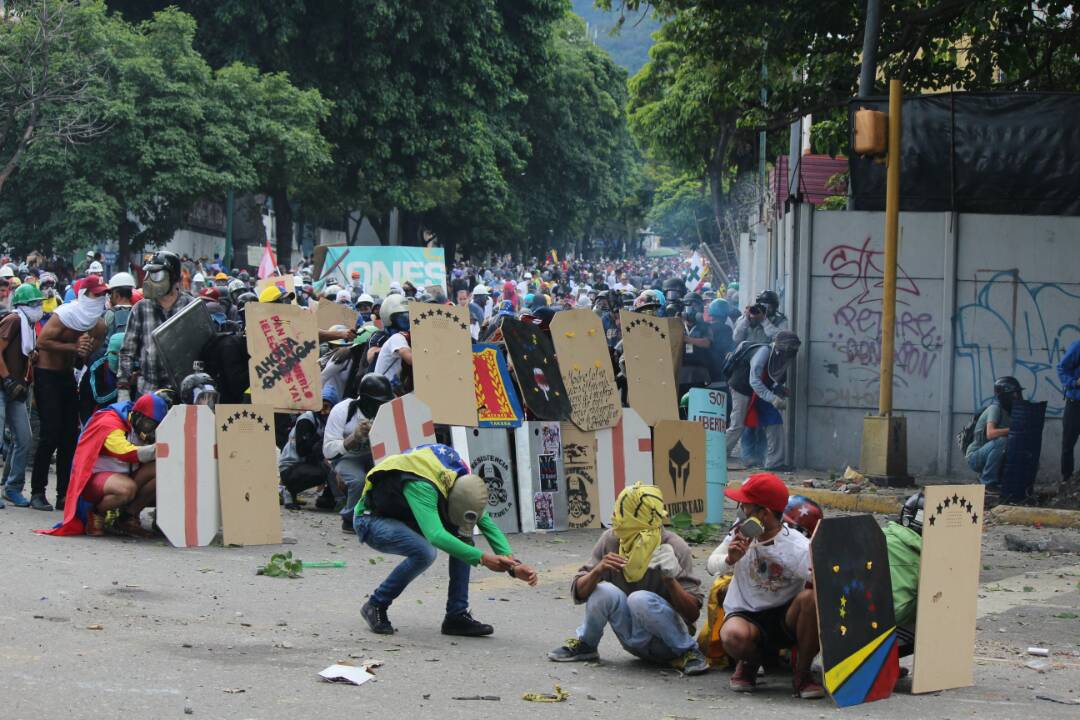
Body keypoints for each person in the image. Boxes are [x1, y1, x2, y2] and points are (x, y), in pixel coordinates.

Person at [354, 443, 538, 636]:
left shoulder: (462, 483)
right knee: (424, 552)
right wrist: (483, 559)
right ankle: (375, 604)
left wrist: (513, 566)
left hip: (404, 514)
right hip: (371, 519)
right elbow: (435, 535)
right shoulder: (423, 486)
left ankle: (456, 617)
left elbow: (487, 524)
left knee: (464, 540)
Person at [547, 483, 709, 674]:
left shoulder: (674, 546)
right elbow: (578, 592)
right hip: (631, 637)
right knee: (603, 591)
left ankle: (689, 652)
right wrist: (597, 571)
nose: (616, 520)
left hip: (667, 645)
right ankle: (586, 645)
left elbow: (693, 614)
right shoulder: (612, 539)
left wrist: (670, 579)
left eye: (625, 516)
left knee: (639, 598)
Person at [708, 473, 823, 699]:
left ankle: (802, 673)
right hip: (746, 615)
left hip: (785, 618)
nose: (740, 510)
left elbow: (826, 585)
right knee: (731, 636)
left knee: (812, 599)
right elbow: (712, 565)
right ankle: (750, 663)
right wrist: (730, 559)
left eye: (745, 506)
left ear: (764, 514)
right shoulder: (738, 533)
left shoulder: (797, 547)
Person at [38, 391, 166, 538]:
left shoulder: (138, 421)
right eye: (148, 424)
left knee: (162, 471)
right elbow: (124, 452)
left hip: (126, 474)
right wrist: (158, 448)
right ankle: (97, 513)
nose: (150, 430)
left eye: (156, 426)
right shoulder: (109, 422)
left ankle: (127, 518)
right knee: (126, 489)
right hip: (96, 480)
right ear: (137, 416)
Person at [32, 275, 109, 511]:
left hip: (67, 376)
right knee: (50, 433)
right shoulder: (65, 314)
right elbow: (43, 341)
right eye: (97, 293)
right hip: (47, 374)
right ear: (85, 294)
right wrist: (73, 346)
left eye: (103, 294)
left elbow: (86, 356)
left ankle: (64, 493)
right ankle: (37, 491)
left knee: (69, 436)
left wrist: (84, 349)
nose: (102, 297)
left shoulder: (98, 325)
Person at [119, 251, 195, 399]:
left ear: (173, 278)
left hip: (184, 394)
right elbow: (127, 352)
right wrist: (123, 388)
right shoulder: (140, 308)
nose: (149, 280)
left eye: (156, 275)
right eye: (149, 274)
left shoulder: (191, 307)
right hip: (148, 394)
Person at [324, 373, 395, 532]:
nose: (380, 407)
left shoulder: (388, 412)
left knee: (392, 476)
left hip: (375, 455)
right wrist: (353, 438)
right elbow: (328, 450)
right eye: (378, 403)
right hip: (347, 457)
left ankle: (383, 515)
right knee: (358, 480)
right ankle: (350, 519)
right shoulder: (342, 410)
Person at [725, 331, 801, 471]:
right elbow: (754, 380)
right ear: (783, 346)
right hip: (742, 388)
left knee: (774, 421)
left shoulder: (777, 354)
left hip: (759, 390)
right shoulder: (763, 352)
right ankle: (714, 456)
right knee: (738, 425)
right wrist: (773, 399)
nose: (792, 352)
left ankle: (774, 463)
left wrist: (778, 388)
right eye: (791, 348)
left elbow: (768, 377)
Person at [0, 284, 44, 508]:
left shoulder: (29, 325)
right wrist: (7, 378)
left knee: (24, 439)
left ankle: (12, 487)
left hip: (16, 389)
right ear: (23, 305)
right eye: (35, 303)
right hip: (3, 386)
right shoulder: (14, 320)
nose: (39, 307)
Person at [278, 386, 339, 509]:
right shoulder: (306, 420)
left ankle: (329, 497)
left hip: (304, 464)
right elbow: (302, 451)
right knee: (324, 471)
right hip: (290, 466)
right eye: (322, 407)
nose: (324, 412)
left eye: (327, 407)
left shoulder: (326, 420)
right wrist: (318, 443)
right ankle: (288, 490)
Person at [966, 376, 1023, 487]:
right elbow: (990, 433)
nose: (1017, 397)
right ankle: (987, 482)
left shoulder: (1011, 412)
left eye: (1018, 393)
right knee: (1002, 441)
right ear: (1005, 395)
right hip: (975, 457)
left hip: (989, 451)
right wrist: (1014, 430)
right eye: (1013, 394)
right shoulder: (995, 408)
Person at [373, 294, 412, 394]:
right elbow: (409, 358)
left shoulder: (407, 338)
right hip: (383, 394)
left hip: (393, 392)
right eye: (401, 318)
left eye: (408, 316)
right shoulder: (397, 338)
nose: (406, 321)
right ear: (388, 319)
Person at [1057, 339, 1080, 483]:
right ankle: (1067, 479)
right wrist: (1074, 382)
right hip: (1075, 404)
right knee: (1068, 443)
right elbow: (1062, 368)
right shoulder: (1078, 346)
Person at [105, 272, 136, 339]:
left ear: (117, 295)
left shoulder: (110, 313)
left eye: (111, 294)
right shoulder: (137, 312)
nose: (110, 297)